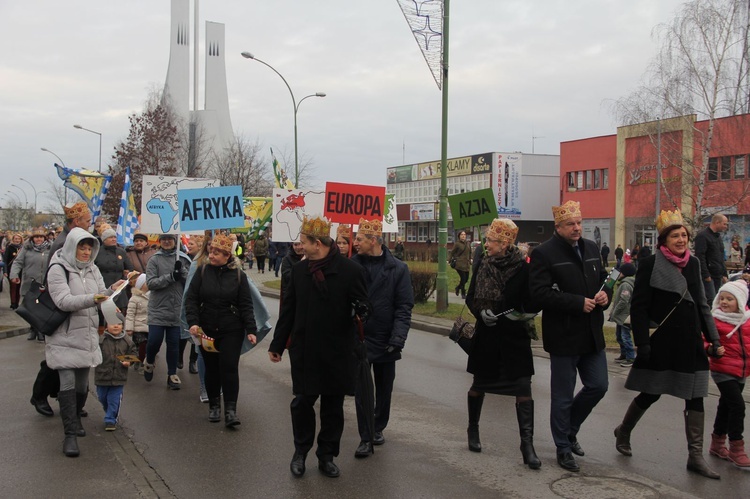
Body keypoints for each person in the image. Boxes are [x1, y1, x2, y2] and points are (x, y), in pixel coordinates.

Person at [613, 209, 724, 479]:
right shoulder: (650, 264)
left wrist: (714, 339)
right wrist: (642, 342)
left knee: (696, 395)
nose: (681, 239)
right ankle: (624, 430)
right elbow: (639, 307)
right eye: (675, 235)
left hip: (691, 339)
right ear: (664, 240)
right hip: (662, 340)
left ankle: (695, 456)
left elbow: (702, 304)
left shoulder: (695, 264)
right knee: (651, 392)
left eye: (684, 235)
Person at [268, 215, 369, 479]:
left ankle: (327, 456)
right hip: (305, 349)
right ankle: (300, 452)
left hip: (337, 350)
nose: (300, 246)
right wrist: (278, 344)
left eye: (304, 242)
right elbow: (288, 311)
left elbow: (364, 309)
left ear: (317, 244)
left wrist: (361, 310)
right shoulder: (299, 272)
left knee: (333, 406)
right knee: (302, 402)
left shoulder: (351, 271)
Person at [528, 200, 610, 472]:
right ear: (558, 227)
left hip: (592, 334)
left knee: (598, 386)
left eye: (579, 223)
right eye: (570, 224)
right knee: (562, 396)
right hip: (563, 335)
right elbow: (538, 294)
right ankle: (563, 447)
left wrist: (604, 295)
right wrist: (576, 303)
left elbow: (603, 280)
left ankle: (570, 429)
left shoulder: (592, 248)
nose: (576, 228)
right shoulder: (544, 253)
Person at [464, 218, 541, 469]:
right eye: (487, 240)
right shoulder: (483, 264)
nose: (487, 245)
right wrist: (480, 312)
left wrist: (522, 312)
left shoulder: (524, 268)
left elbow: (532, 300)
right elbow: (471, 296)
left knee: (523, 390)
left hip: (515, 339)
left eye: (491, 241)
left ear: (506, 243)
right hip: (487, 337)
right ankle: (473, 429)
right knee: (478, 386)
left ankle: (527, 445)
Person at [46, 227, 123, 457]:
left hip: (86, 335)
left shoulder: (93, 268)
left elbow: (101, 294)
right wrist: (93, 298)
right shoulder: (57, 268)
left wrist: (112, 290)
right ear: (72, 246)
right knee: (67, 383)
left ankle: (76, 419)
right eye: (82, 247)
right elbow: (63, 300)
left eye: (89, 248)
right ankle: (69, 435)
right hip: (63, 335)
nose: (86, 252)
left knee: (81, 386)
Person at [351, 218, 413, 458]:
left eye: (360, 239)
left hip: (387, 339)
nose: (355, 243)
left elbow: (403, 306)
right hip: (360, 339)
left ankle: (378, 427)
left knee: (384, 390)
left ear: (373, 240)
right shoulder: (351, 266)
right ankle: (366, 437)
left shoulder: (398, 268)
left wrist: (398, 338)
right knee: (362, 391)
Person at [186, 235, 257, 428]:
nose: (212, 255)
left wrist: (251, 328)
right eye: (211, 251)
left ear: (227, 255)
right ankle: (214, 406)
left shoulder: (238, 275)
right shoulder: (202, 272)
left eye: (217, 252)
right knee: (212, 369)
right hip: (207, 329)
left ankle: (231, 411)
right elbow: (191, 299)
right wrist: (193, 322)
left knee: (229, 368)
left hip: (231, 328)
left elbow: (245, 304)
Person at [707, 280, 750, 468]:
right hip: (722, 369)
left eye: (729, 299)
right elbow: (703, 340)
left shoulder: (747, 319)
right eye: (722, 298)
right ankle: (736, 448)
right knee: (738, 406)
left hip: (741, 370)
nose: (724, 302)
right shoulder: (714, 319)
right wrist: (711, 349)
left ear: (740, 301)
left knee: (726, 406)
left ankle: (716, 444)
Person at [143, 234, 190, 390]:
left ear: (175, 241)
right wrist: (170, 276)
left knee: (173, 344)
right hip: (158, 309)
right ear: (160, 241)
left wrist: (181, 272)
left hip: (176, 309)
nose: (167, 241)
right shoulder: (154, 260)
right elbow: (151, 283)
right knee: (154, 341)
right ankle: (149, 361)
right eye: (164, 239)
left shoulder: (183, 259)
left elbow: (191, 281)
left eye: (170, 239)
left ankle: (172, 374)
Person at [95, 318, 137, 431]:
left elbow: (133, 352)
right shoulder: (101, 340)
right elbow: (94, 352)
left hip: (119, 376)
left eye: (119, 324)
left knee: (113, 399)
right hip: (102, 376)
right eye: (113, 323)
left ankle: (110, 420)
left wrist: (129, 361)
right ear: (106, 326)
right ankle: (109, 410)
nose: (116, 326)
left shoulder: (126, 340)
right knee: (102, 397)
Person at [9, 227, 50, 341]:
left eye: (41, 237)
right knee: (31, 308)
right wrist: (14, 275)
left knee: (42, 308)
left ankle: (40, 330)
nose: (39, 239)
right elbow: (18, 262)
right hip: (30, 282)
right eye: (36, 237)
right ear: (32, 238)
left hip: (45, 283)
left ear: (44, 238)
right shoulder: (26, 249)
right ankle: (33, 329)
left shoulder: (49, 249)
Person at [94, 227, 134, 315]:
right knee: (103, 313)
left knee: (118, 316)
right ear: (104, 240)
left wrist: (124, 279)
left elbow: (130, 268)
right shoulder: (97, 252)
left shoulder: (121, 252)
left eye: (114, 237)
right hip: (103, 287)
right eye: (110, 237)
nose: (113, 239)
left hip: (119, 289)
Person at [694, 213, 729, 305]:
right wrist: (706, 275)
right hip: (709, 276)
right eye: (724, 224)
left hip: (718, 275)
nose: (726, 226)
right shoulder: (703, 236)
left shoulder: (718, 237)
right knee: (710, 300)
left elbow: (720, 257)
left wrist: (724, 274)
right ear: (717, 222)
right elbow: (700, 256)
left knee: (716, 301)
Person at [608, 263, 636, 366]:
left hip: (624, 316)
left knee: (625, 337)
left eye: (620, 272)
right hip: (621, 316)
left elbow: (624, 301)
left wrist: (615, 312)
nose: (618, 274)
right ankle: (624, 354)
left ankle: (630, 357)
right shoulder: (623, 283)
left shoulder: (625, 285)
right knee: (619, 336)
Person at [125, 274, 150, 374]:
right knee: (141, 345)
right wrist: (129, 328)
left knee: (148, 346)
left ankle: (145, 361)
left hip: (149, 326)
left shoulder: (153, 296)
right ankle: (139, 362)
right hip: (138, 327)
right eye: (146, 282)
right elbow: (130, 314)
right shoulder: (134, 298)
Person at [3, 232, 23, 309]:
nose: (17, 240)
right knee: (13, 286)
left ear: (21, 240)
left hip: (21, 270)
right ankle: (13, 303)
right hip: (10, 269)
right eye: (15, 239)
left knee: (19, 287)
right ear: (13, 239)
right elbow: (5, 260)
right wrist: (5, 271)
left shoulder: (23, 248)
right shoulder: (9, 247)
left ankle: (17, 302)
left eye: (18, 239)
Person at [450, 230, 471, 299]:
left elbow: (470, 253)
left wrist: (470, 259)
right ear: (459, 236)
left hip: (466, 264)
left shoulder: (468, 243)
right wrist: (449, 260)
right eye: (462, 234)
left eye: (464, 234)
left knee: (466, 279)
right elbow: (452, 252)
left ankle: (457, 287)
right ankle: (463, 293)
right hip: (459, 264)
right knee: (463, 278)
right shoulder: (457, 244)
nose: (463, 236)